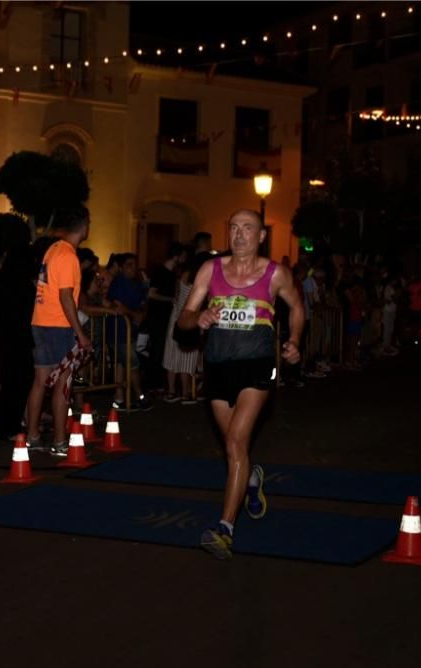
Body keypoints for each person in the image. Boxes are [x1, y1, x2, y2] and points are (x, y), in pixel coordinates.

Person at [178, 209, 304, 560]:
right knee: (235, 449)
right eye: (233, 227)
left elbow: (297, 307)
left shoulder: (276, 273)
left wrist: (294, 339)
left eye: (248, 228)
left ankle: (225, 528)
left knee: (235, 441)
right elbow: (184, 316)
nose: (239, 234)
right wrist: (197, 317)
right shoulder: (210, 269)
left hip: (257, 367)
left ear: (261, 236)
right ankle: (251, 479)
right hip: (218, 367)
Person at [25, 206, 92, 456]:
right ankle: (60, 441)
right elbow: (66, 298)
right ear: (84, 227)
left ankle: (32, 435)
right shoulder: (68, 256)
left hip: (40, 321)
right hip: (58, 326)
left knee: (40, 382)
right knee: (63, 384)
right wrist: (81, 334)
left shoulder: (52, 250)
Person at [0, 214, 36, 442]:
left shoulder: (4, 275)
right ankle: (10, 426)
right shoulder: (21, 278)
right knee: (19, 379)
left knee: (11, 380)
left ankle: (9, 424)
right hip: (19, 334)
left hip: (7, 333)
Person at [106, 253, 151, 411]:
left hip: (130, 330)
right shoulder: (119, 283)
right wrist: (134, 314)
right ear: (121, 267)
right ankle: (140, 396)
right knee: (132, 364)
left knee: (121, 363)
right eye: (129, 265)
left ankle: (119, 399)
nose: (132, 268)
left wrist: (140, 312)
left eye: (134, 264)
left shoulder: (135, 284)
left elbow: (143, 302)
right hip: (119, 330)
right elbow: (117, 304)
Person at [162, 252, 208, 404]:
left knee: (171, 355)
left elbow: (176, 297)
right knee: (187, 358)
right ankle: (186, 392)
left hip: (175, 318)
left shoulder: (182, 276)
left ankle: (171, 391)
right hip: (189, 320)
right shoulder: (199, 280)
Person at [147, 242, 187, 393]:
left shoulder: (173, 273)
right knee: (157, 350)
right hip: (157, 316)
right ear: (176, 256)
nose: (184, 259)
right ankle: (153, 384)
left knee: (163, 350)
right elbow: (151, 294)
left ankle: (159, 383)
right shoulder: (160, 271)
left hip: (166, 316)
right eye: (182, 256)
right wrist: (170, 299)